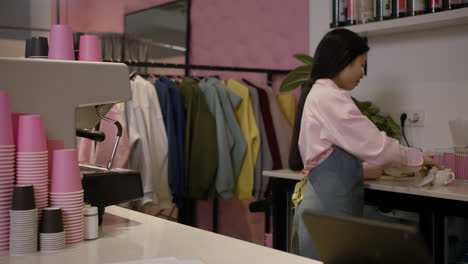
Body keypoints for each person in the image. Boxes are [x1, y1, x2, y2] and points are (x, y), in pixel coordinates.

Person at [289, 28, 443, 260]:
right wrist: (417, 158)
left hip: (325, 207)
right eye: (360, 65)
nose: (362, 73)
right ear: (343, 59)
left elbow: (341, 158)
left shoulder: (320, 94)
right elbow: (376, 146)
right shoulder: (330, 98)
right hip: (329, 211)